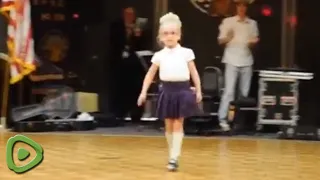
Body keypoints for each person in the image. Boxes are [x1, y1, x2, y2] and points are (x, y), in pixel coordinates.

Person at [137, 12, 202, 171]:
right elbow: (150, 74)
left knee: (178, 123)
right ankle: (171, 154)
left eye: (173, 33)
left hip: (182, 90)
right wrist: (143, 92)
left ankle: (174, 157)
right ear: (161, 37)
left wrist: (199, 90)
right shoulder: (159, 56)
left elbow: (194, 72)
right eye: (166, 33)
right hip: (167, 91)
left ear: (179, 35)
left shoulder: (186, 52)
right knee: (168, 125)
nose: (170, 36)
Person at [217, 0, 259, 131]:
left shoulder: (252, 23)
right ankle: (223, 119)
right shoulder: (228, 22)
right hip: (231, 60)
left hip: (246, 60)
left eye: (244, 6)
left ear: (246, 8)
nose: (242, 8)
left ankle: (239, 122)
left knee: (243, 94)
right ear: (236, 7)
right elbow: (220, 40)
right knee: (229, 92)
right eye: (239, 5)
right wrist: (228, 37)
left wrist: (254, 42)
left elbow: (255, 39)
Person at [109, 7, 149, 126]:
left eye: (132, 14)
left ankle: (136, 115)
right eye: (127, 14)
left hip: (134, 64)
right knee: (119, 89)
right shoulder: (116, 25)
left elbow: (143, 45)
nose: (129, 17)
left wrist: (137, 36)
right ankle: (118, 114)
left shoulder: (139, 26)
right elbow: (113, 42)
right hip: (119, 63)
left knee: (135, 89)